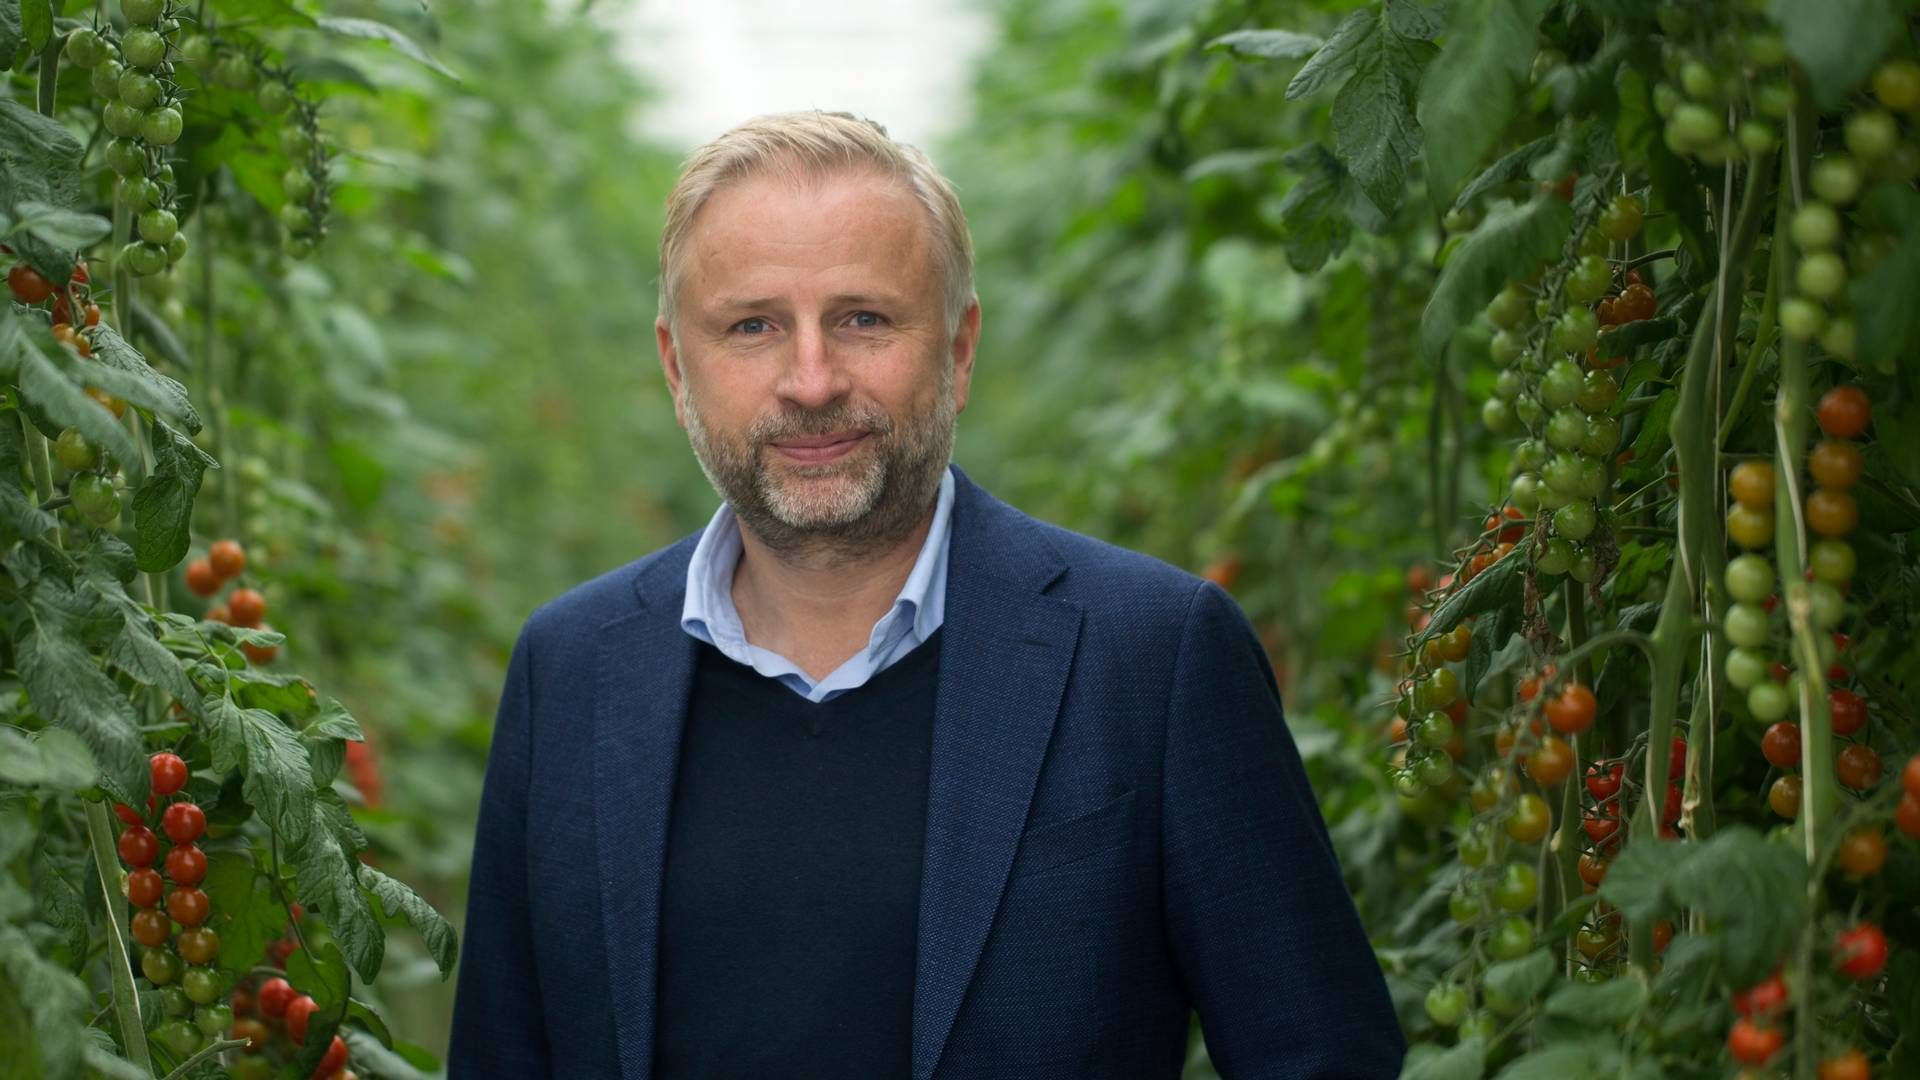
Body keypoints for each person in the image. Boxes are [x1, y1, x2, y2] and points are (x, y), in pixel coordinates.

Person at [448, 110, 1405, 1079]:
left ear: (957, 349)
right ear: (675, 367)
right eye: (753, 326)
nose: (811, 379)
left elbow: (1315, 1055)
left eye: (864, 318)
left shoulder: (1152, 659)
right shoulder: (570, 669)